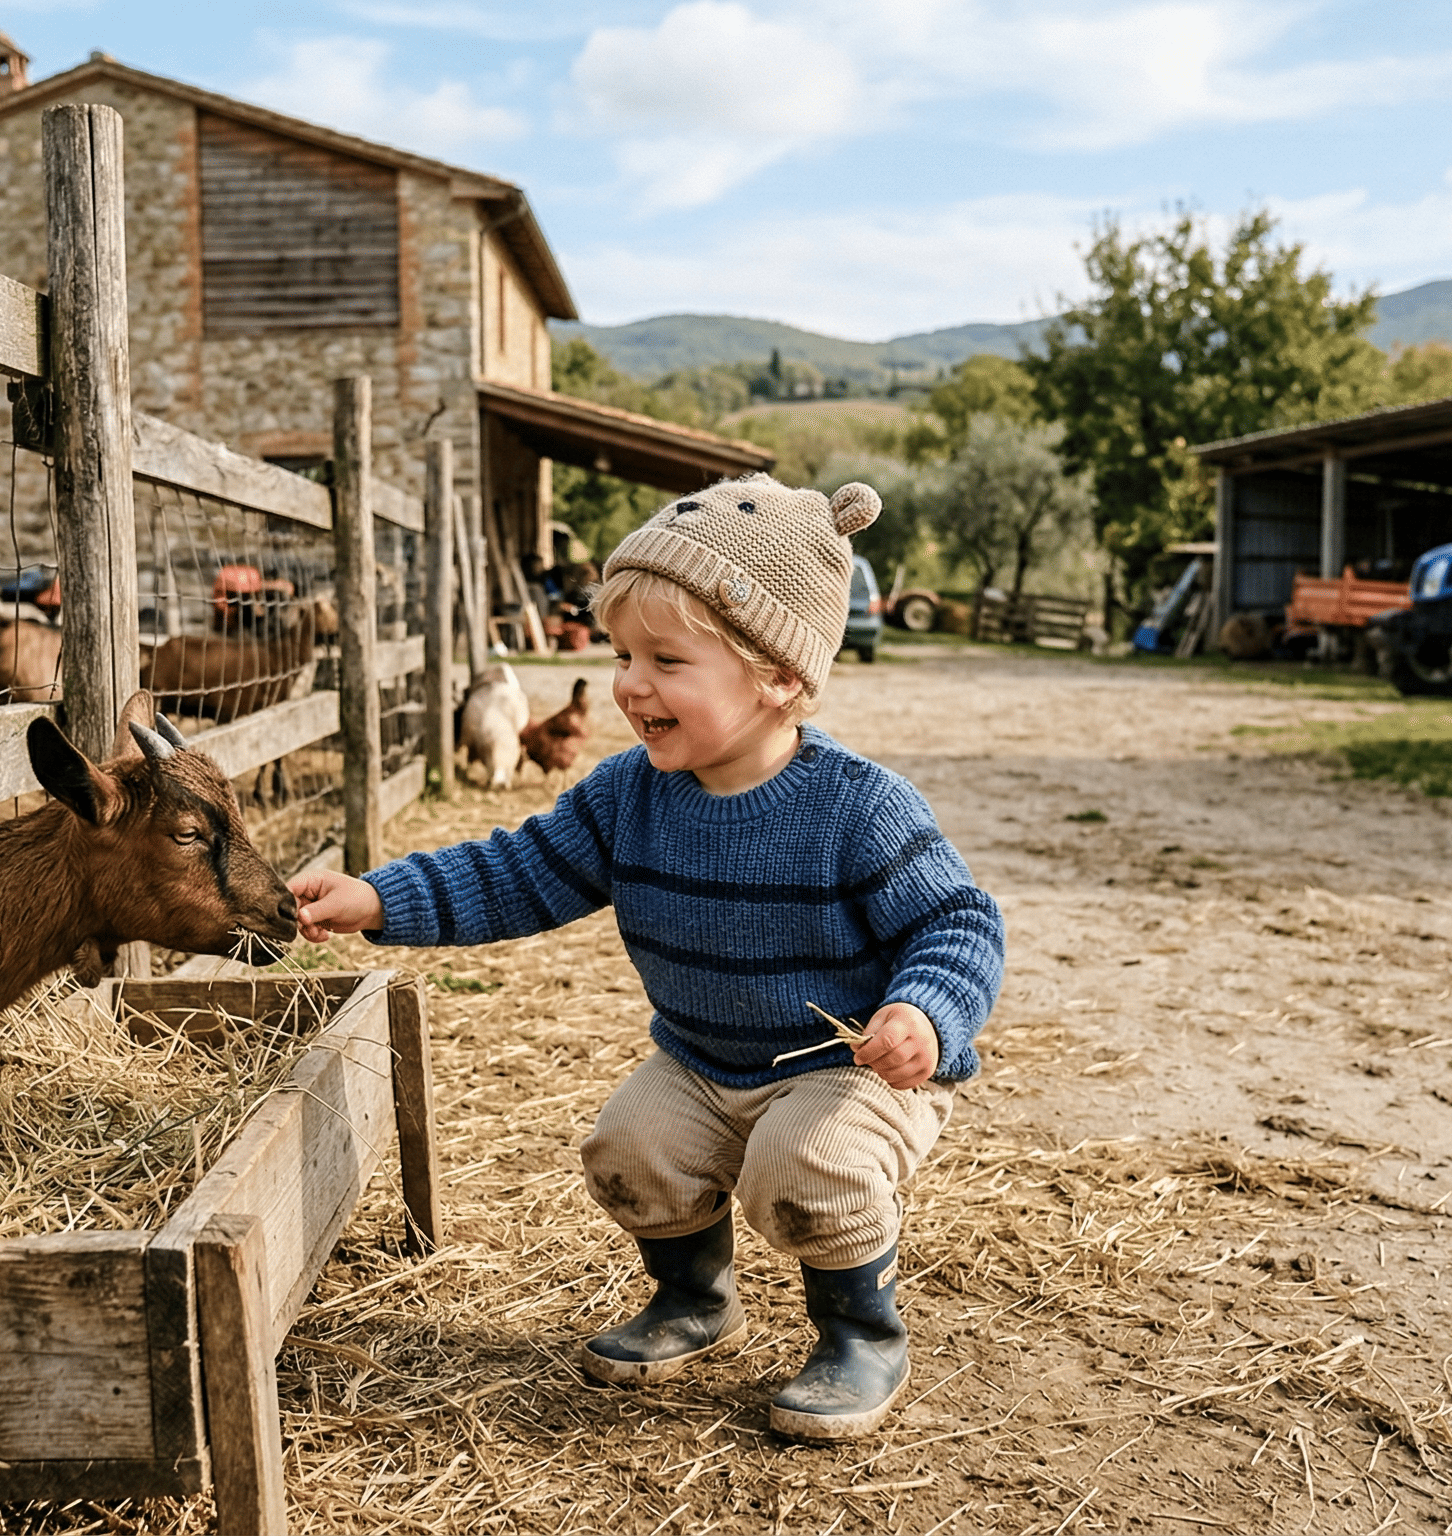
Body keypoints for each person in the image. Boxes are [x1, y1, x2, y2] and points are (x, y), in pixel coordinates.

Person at [291, 475, 1005, 1440]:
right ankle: (694, 1298)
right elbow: (516, 873)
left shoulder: (858, 808)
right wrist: (380, 898)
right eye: (624, 653)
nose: (629, 683)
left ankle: (859, 1334)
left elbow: (959, 923)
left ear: (779, 675)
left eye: (666, 660)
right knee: (630, 1149)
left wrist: (924, 1013)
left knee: (802, 1166)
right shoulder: (629, 794)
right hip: (704, 1063)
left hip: (853, 1070)